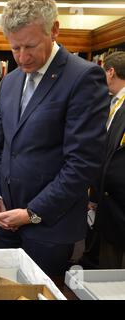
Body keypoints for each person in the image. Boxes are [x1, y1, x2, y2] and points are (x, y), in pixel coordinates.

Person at [0, 0, 110, 277]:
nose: (21, 57)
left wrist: (30, 213)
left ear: (53, 30)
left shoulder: (84, 77)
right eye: (14, 47)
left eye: (29, 46)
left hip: (50, 227)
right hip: (5, 218)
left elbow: (82, 164)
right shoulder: (10, 81)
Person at [87, 51, 125, 269]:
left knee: (114, 267)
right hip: (106, 199)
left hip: (117, 203)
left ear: (110, 72)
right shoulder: (113, 102)